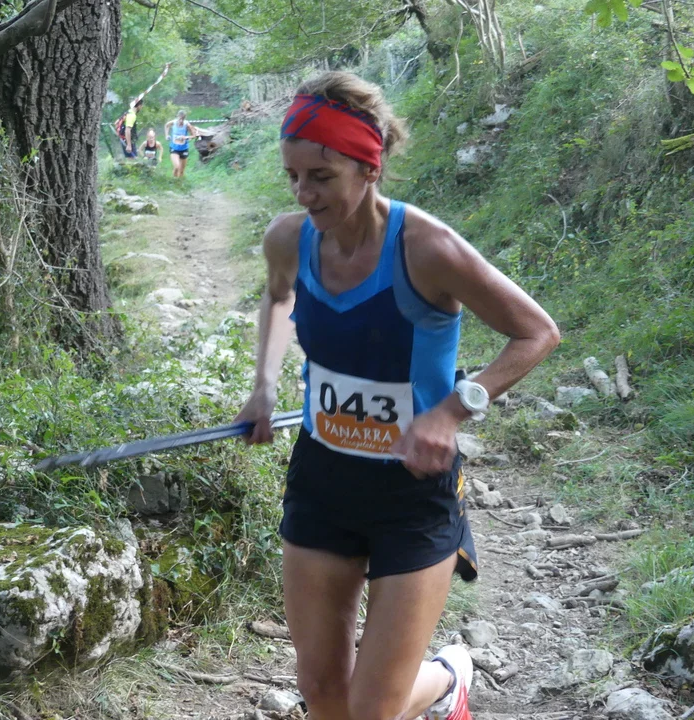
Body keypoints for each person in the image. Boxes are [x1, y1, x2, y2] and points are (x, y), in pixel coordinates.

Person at [235, 71, 560, 720]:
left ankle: (449, 676)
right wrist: (263, 388)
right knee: (324, 696)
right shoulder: (287, 238)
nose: (303, 193)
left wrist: (452, 410)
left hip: (412, 494)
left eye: (321, 176)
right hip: (323, 477)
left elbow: (537, 333)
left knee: (372, 712)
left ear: (369, 167)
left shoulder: (427, 248)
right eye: (292, 176)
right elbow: (278, 297)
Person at [164, 109, 198, 178]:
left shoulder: (187, 124)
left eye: (182, 119)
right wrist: (166, 135)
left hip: (184, 149)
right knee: (177, 167)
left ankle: (180, 183)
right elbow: (167, 125)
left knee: (182, 171)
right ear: (177, 117)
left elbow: (193, 135)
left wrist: (186, 137)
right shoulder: (173, 122)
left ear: (184, 118)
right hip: (174, 148)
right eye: (180, 119)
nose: (181, 121)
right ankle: (173, 181)